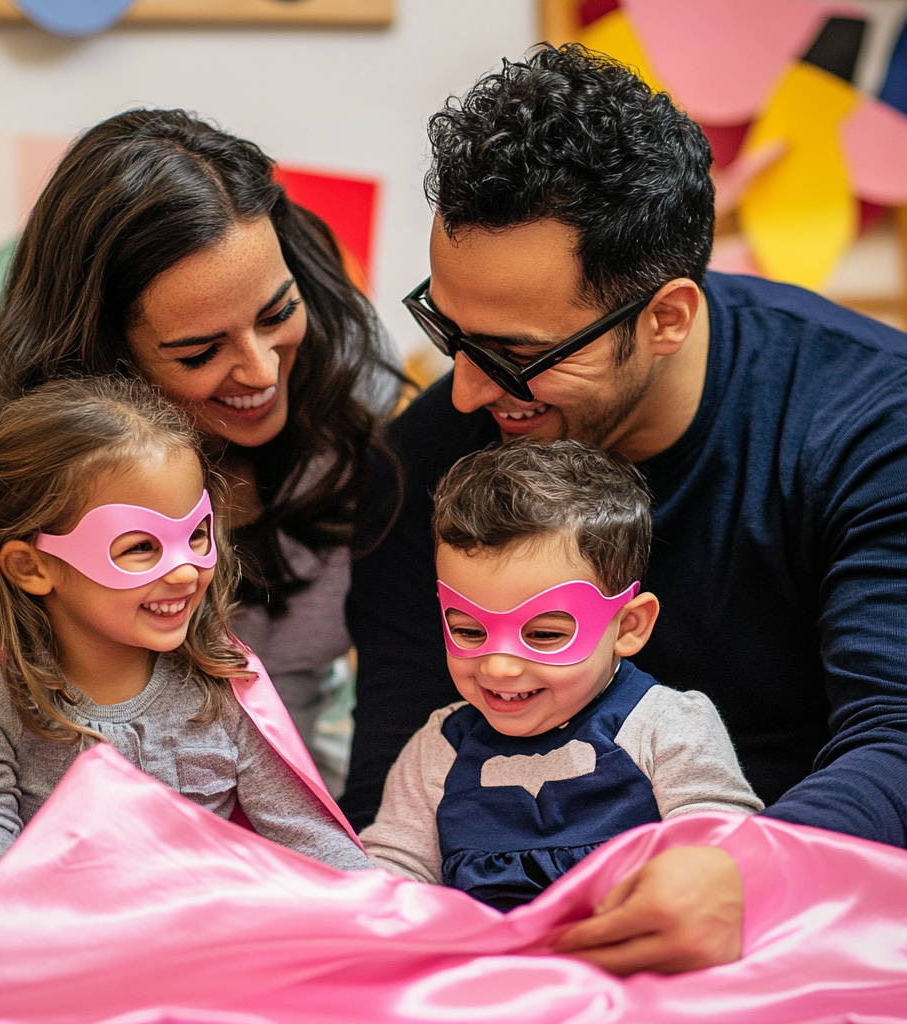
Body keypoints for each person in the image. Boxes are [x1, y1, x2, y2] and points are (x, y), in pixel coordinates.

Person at [344, 44, 907, 974]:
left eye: (520, 352)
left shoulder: (866, 425)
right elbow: (398, 784)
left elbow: (895, 736)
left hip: (807, 917)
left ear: (669, 317)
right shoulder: (428, 464)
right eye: (450, 332)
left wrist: (755, 872)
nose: (471, 391)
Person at [0, 109, 399, 787]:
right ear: (102, 357)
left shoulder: (348, 385)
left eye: (276, 314)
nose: (262, 371)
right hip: (61, 814)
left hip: (287, 805)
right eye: (199, 351)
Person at [0, 376, 369, 917]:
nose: (186, 572)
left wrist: (384, 906)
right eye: (140, 548)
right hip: (33, 941)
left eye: (196, 535)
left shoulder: (220, 685)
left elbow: (305, 835)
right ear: (32, 566)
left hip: (176, 943)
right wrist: (58, 903)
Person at [361, 439, 761, 910]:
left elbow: (720, 844)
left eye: (545, 635)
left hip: (627, 956)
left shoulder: (664, 725)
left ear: (628, 626)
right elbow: (394, 866)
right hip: (484, 964)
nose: (499, 667)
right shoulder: (440, 748)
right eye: (469, 631)